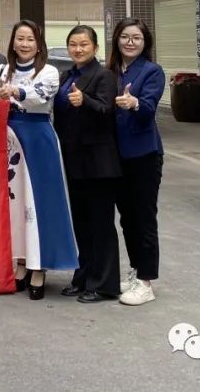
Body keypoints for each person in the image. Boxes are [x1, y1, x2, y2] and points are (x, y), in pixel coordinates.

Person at [0, 20, 78, 300]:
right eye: (20, 38)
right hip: (9, 138)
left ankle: (39, 266)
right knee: (15, 204)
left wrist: (14, 92)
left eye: (30, 39)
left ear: (39, 44)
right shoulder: (2, 70)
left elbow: (40, 97)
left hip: (38, 139)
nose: (25, 44)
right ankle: (20, 262)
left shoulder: (49, 71)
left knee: (41, 203)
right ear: (13, 42)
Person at [52, 24, 121, 303]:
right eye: (73, 44)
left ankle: (103, 285)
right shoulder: (67, 75)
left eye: (84, 44)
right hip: (73, 161)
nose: (78, 49)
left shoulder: (104, 76)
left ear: (95, 47)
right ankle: (81, 278)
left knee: (101, 225)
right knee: (80, 224)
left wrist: (85, 100)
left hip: (98, 163)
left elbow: (107, 110)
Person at [107, 18, 165, 307]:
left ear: (145, 43)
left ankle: (146, 281)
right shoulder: (110, 71)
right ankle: (135, 270)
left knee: (143, 218)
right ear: (117, 39)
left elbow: (150, 107)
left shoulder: (152, 71)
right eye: (125, 37)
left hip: (144, 155)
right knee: (126, 218)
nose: (130, 42)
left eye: (137, 38)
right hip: (115, 156)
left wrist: (135, 103)